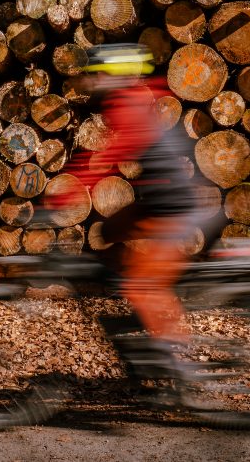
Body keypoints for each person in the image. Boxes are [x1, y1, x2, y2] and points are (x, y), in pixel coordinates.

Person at [44, 43, 209, 378]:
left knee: (141, 286)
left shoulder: (128, 104)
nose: (90, 80)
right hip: (156, 200)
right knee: (108, 233)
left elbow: (109, 155)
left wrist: (65, 193)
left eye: (98, 73)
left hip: (170, 205)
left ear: (113, 76)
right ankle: (132, 330)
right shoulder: (128, 101)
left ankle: (177, 364)